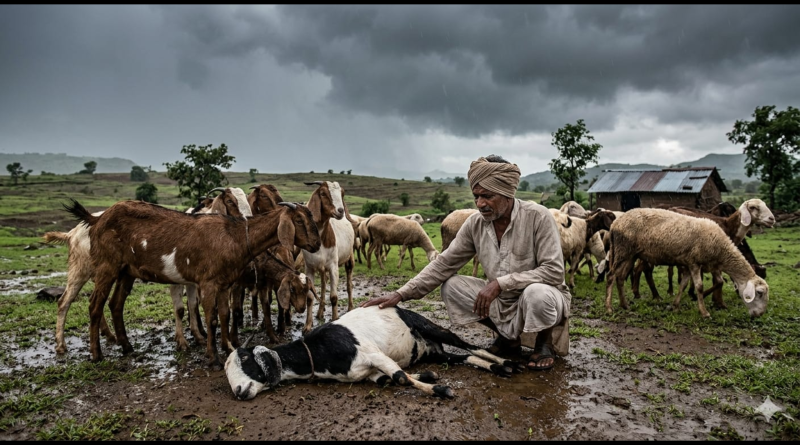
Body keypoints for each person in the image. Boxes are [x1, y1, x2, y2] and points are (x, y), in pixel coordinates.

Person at [360, 154, 571, 370]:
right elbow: (443, 264)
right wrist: (400, 294)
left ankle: (544, 342)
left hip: (541, 296)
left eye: (487, 196)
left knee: (536, 293)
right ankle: (508, 339)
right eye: (476, 196)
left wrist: (501, 283)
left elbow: (554, 271)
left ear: (508, 193)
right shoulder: (475, 224)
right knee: (451, 286)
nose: (480, 204)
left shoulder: (538, 217)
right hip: (502, 300)